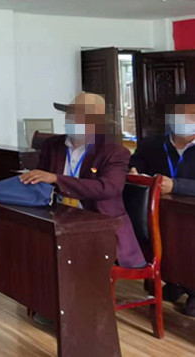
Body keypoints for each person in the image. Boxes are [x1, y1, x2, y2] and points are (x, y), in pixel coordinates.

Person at [20, 92, 146, 268]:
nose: (73, 119)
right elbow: (41, 181)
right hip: (58, 218)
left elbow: (108, 188)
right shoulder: (52, 145)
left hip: (99, 224)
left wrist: (56, 178)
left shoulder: (114, 151)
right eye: (70, 113)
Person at [130, 92, 195, 314]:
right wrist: (134, 172)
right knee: (167, 244)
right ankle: (175, 281)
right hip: (159, 212)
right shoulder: (152, 144)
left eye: (191, 115)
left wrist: (175, 186)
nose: (184, 119)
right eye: (179, 114)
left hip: (190, 215)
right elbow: (135, 166)